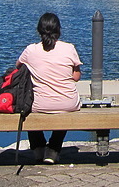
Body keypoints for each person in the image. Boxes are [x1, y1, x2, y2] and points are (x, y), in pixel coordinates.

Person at [17, 12, 81, 164]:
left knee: (28, 106)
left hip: (39, 104)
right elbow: (76, 76)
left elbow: (18, 67)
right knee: (64, 107)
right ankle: (53, 149)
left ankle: (38, 148)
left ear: (39, 30)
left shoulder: (31, 50)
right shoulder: (69, 48)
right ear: (58, 30)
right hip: (68, 102)